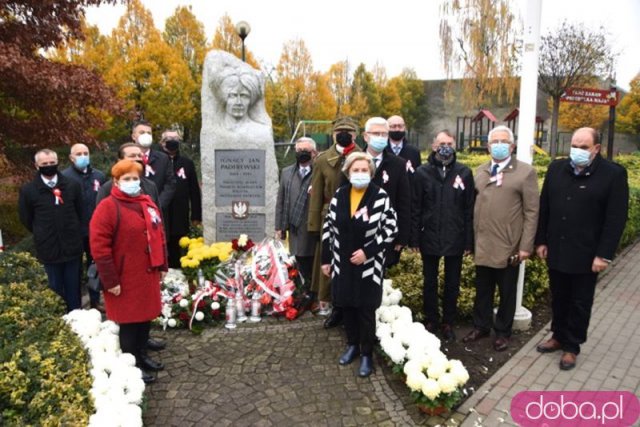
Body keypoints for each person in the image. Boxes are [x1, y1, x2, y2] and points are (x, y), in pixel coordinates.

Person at [535, 127, 628, 370]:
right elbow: (545, 207)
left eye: (583, 147)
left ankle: (571, 346)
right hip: (557, 247)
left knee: (580, 301)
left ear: (596, 149)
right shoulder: (557, 169)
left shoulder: (613, 175)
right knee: (559, 297)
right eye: (574, 145)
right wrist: (541, 240)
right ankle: (557, 335)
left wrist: (603, 254)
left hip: (587, 253)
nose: (577, 151)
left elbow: (615, 218)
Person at [90, 160, 167, 384]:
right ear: (116, 182)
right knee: (129, 324)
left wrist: (162, 265)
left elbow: (158, 234)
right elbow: (99, 247)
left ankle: (142, 356)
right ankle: (130, 365)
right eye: (127, 179)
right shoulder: (108, 206)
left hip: (147, 273)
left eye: (135, 178)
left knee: (144, 320)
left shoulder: (147, 202)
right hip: (124, 277)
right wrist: (110, 279)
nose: (132, 183)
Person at [462, 125, 539, 352]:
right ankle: (481, 326)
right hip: (483, 243)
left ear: (512, 146)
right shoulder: (481, 170)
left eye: (503, 141)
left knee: (506, 292)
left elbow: (532, 212)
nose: (498, 145)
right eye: (494, 142)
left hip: (509, 245)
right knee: (482, 289)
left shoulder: (525, 172)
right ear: (487, 146)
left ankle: (503, 332)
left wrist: (526, 246)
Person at [321, 152, 398, 377]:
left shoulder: (380, 196)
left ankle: (366, 353)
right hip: (342, 262)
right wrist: (327, 259)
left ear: (371, 173)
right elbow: (328, 228)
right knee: (346, 306)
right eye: (356, 170)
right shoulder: (340, 195)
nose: (360, 173)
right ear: (348, 172)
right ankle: (352, 345)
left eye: (365, 170)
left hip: (369, 265)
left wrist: (368, 252)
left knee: (365, 309)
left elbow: (391, 228)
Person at [410, 130, 475, 340]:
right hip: (428, 236)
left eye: (449, 143)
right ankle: (432, 319)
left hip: (455, 237)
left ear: (454, 145)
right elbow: (415, 208)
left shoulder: (464, 172)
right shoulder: (422, 173)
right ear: (434, 145)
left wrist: (468, 241)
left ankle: (448, 322)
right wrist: (414, 239)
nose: (445, 146)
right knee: (429, 281)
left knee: (452, 283)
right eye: (441, 143)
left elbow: (469, 209)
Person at [308, 116, 362, 326]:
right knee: (329, 265)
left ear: (355, 135)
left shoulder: (363, 157)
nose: (344, 134)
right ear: (333, 135)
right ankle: (335, 309)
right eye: (340, 131)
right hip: (329, 217)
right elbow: (317, 193)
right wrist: (313, 224)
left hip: (356, 217)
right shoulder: (322, 160)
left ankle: (351, 310)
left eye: (349, 131)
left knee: (352, 262)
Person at [19, 149, 83, 312]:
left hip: (72, 247)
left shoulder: (72, 185)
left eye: (52, 163)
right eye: (44, 164)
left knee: (74, 288)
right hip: (48, 248)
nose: (49, 166)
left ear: (58, 163)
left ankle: (76, 318)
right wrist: (42, 232)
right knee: (54, 288)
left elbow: (80, 212)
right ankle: (59, 321)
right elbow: (26, 218)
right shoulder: (29, 190)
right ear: (36, 165)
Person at [62, 143, 107, 310]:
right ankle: (75, 303)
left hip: (96, 230)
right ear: (71, 158)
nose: (83, 156)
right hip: (75, 231)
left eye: (85, 153)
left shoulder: (99, 176)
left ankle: (95, 300)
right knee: (75, 268)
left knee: (95, 266)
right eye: (78, 153)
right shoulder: (65, 178)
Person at [361, 117, 410, 268]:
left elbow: (404, 202)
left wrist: (402, 237)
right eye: (376, 133)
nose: (381, 138)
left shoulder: (398, 164)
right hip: (359, 233)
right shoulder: (354, 162)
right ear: (366, 136)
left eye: (384, 134)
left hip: (387, 233)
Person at [275, 137, 318, 301]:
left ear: (313, 153)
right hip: (294, 225)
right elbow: (281, 199)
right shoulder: (286, 172)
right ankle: (300, 293)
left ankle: (313, 294)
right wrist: (279, 226)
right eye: (299, 151)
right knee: (297, 258)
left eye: (305, 151)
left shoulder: (319, 171)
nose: (302, 154)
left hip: (312, 226)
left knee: (312, 259)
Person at [160, 129, 202, 269]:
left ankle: (178, 277)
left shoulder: (187, 163)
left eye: (176, 139)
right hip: (161, 212)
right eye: (169, 139)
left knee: (179, 246)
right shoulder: (156, 162)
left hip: (180, 213)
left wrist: (196, 215)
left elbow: (194, 191)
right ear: (162, 143)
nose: (172, 142)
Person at [132, 120, 176, 214]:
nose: (146, 135)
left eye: (149, 133)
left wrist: (158, 205)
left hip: (158, 211)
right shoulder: (127, 158)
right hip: (133, 210)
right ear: (133, 136)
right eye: (142, 132)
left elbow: (170, 184)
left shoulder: (163, 158)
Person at [96, 143, 160, 207]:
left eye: (139, 156)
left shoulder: (150, 186)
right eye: (132, 156)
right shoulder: (107, 188)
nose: (137, 159)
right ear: (120, 161)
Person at [386, 115, 422, 181]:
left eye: (400, 126)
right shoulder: (382, 150)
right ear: (387, 128)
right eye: (393, 126)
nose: (397, 129)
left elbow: (417, 177)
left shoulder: (414, 152)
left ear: (404, 128)